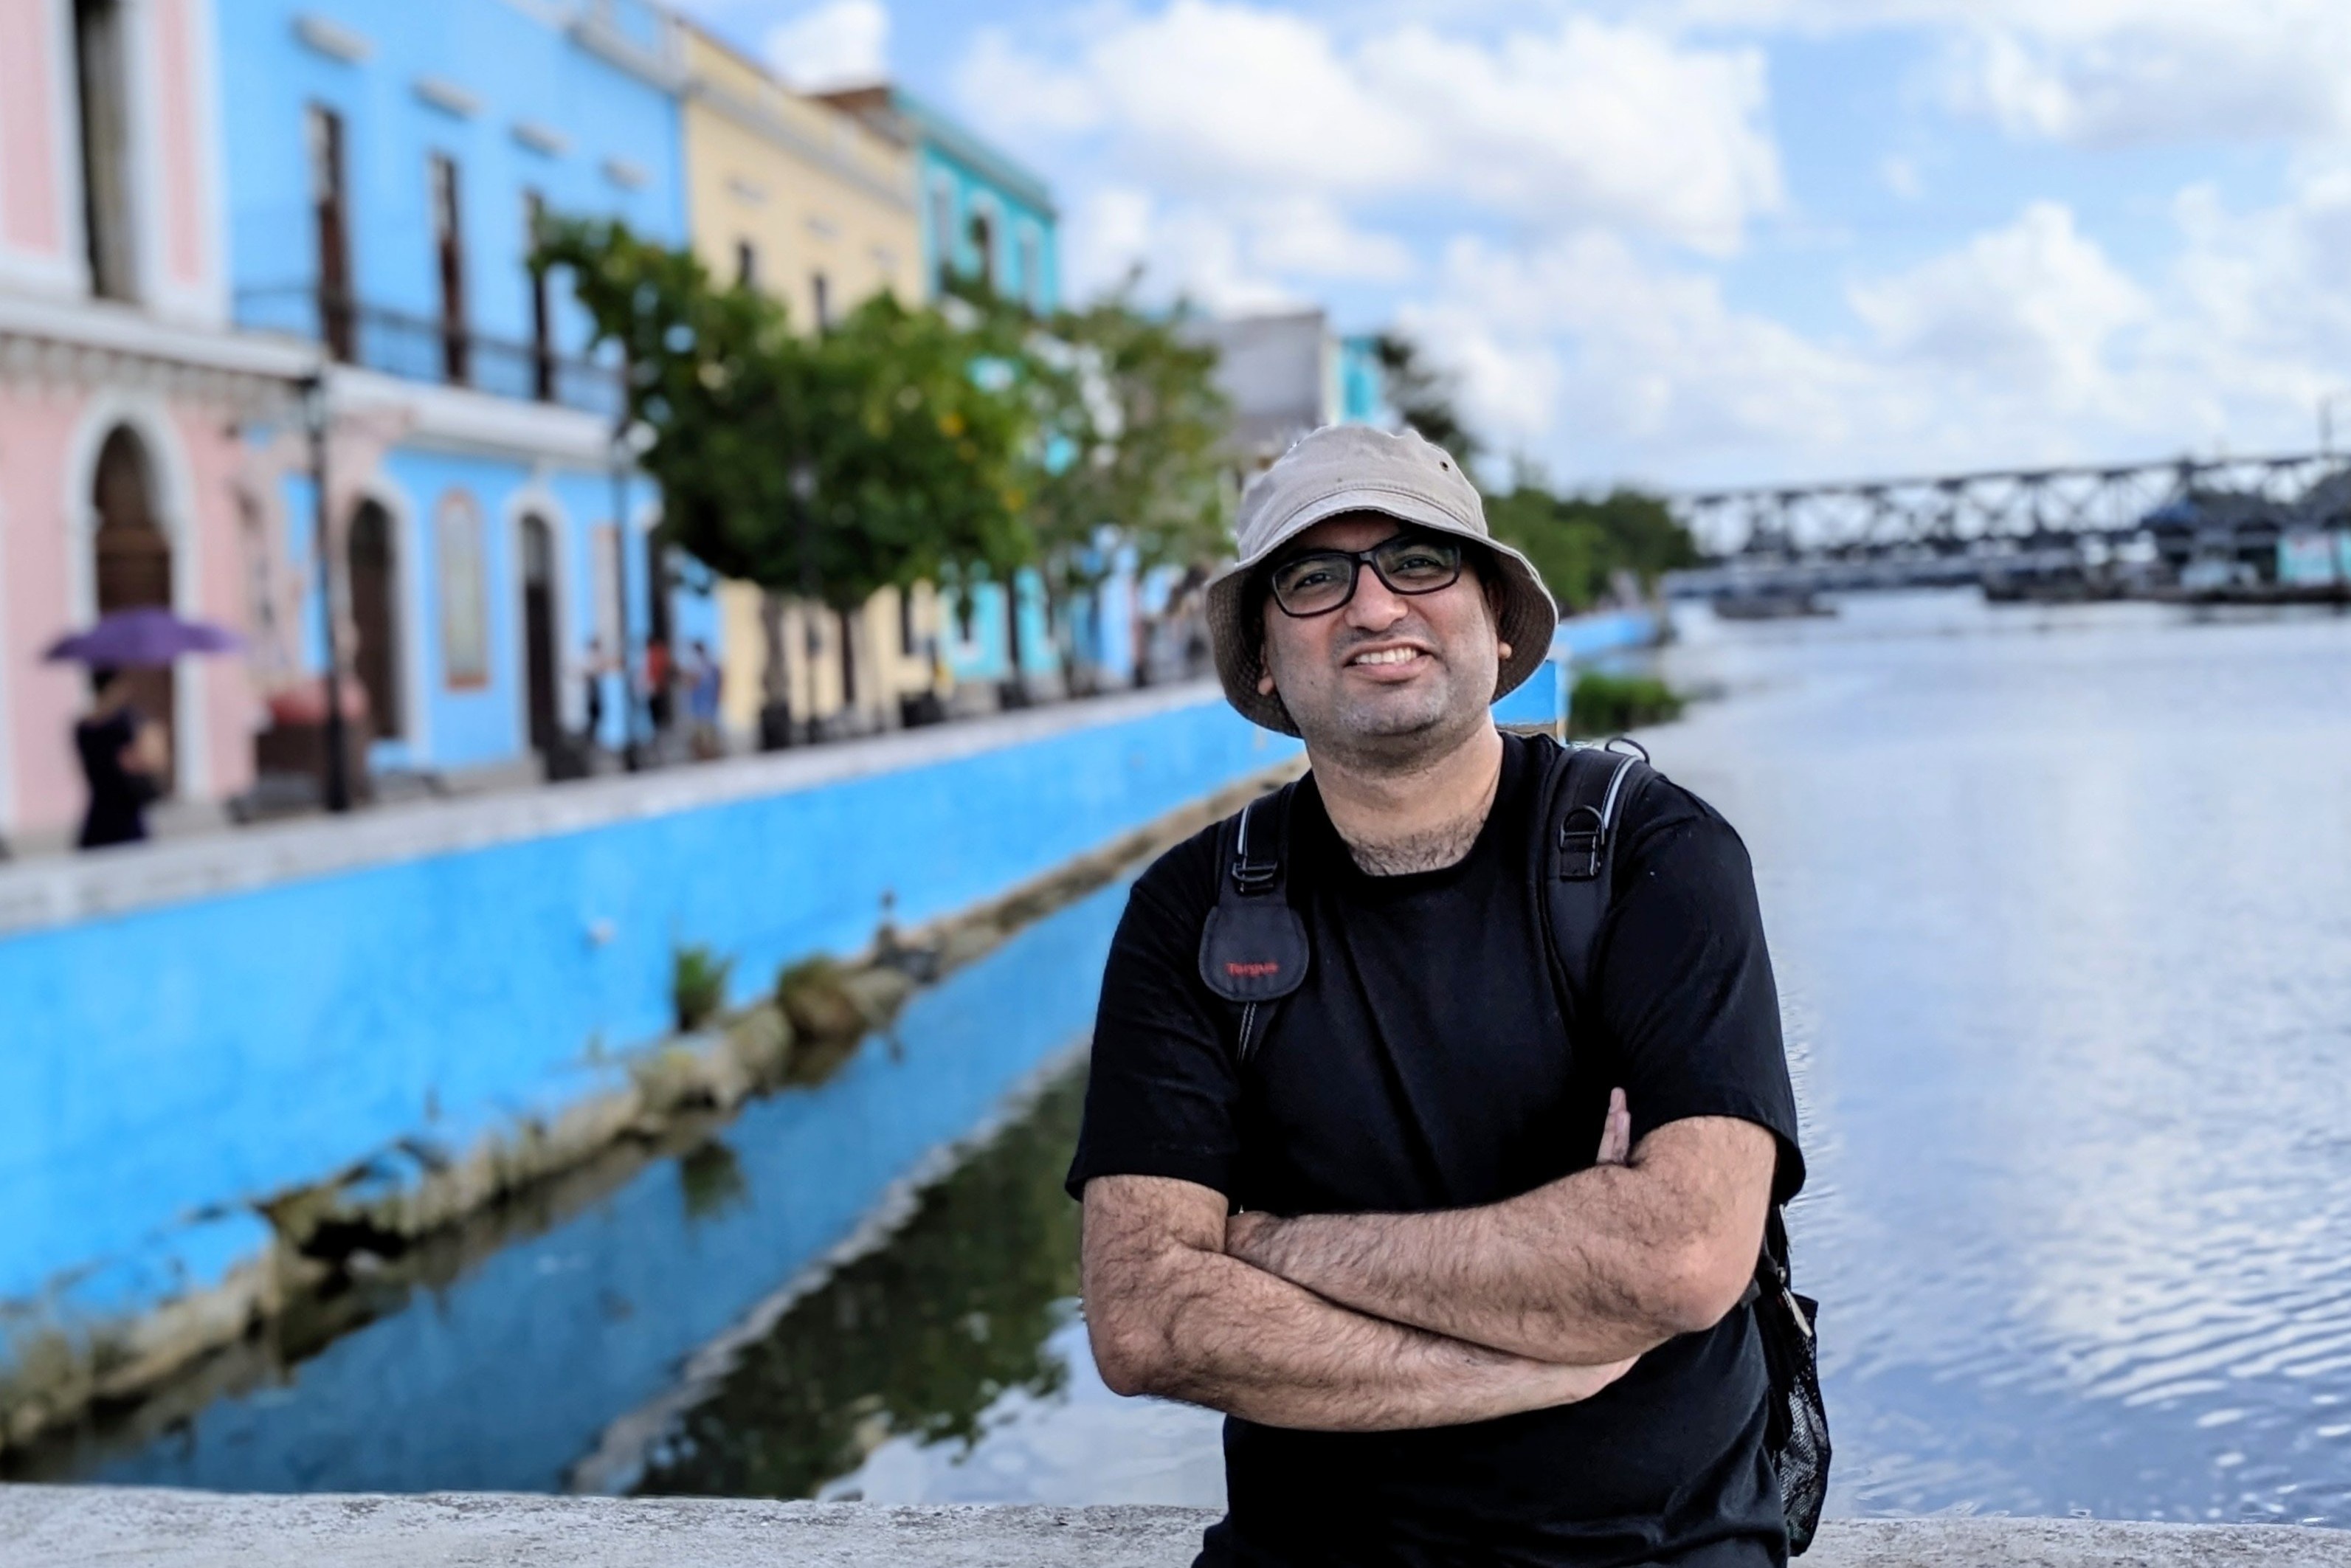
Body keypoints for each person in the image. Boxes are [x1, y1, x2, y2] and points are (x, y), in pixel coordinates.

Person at [1068, 425, 1805, 1567]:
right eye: (1314, 579)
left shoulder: (1653, 855)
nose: (1373, 607)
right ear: (1261, 658)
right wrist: (1537, 1356)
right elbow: (1142, 1316)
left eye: (1419, 561)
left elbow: (1682, 1256)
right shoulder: (1192, 909)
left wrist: (1265, 1246)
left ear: (1496, 618)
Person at [75, 665, 168, 849]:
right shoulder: (124, 723)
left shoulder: (82, 728)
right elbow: (143, 762)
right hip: (124, 812)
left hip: (100, 812)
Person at [686, 638, 723, 760]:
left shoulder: (701, 666)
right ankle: (707, 753)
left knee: (706, 730)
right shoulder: (707, 665)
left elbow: (693, 682)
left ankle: (709, 753)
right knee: (704, 730)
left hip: (705, 703)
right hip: (703, 703)